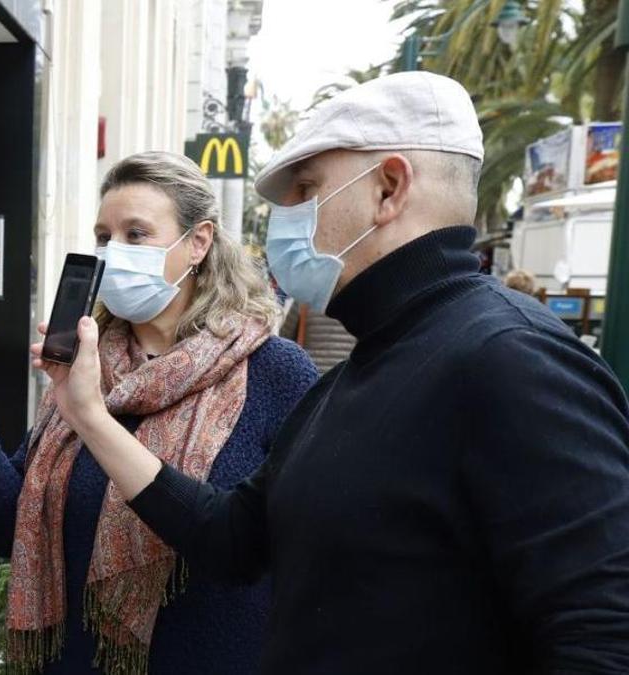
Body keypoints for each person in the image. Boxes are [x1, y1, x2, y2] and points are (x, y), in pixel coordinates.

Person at [31, 71, 629, 674]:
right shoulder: (361, 370)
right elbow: (233, 539)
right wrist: (87, 413)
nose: (286, 217)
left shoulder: (511, 358)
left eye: (306, 190)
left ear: (389, 188)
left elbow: (600, 636)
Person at [0, 152, 318, 674]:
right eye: (103, 235)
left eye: (136, 234)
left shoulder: (275, 373)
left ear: (198, 244)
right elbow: (11, 526)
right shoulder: (88, 363)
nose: (114, 252)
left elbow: (274, 553)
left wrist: (91, 415)